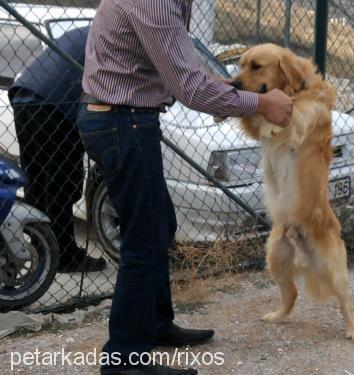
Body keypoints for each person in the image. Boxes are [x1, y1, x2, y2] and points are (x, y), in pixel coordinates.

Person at [77, 1, 293, 374]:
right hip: (122, 122)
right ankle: (124, 358)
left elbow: (180, 71)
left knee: (160, 226)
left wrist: (227, 92)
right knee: (143, 241)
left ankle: (155, 323)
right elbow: (189, 87)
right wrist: (259, 103)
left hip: (125, 119)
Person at [9, 26, 107, 273]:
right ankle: (64, 256)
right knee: (62, 183)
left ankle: (44, 250)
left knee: (38, 181)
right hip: (54, 104)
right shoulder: (113, 36)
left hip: (25, 95)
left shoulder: (88, 30)